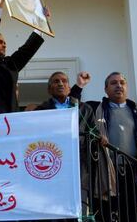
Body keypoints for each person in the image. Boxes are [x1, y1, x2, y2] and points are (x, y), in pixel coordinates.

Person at [92, 72, 137, 221]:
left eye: (122, 82)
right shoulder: (94, 110)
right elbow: (74, 111)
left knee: (134, 217)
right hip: (106, 175)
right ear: (106, 89)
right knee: (107, 216)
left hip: (135, 176)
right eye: (113, 83)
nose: (119, 85)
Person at [35, 71, 95, 221]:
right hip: (51, 168)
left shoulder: (85, 109)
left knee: (77, 213)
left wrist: (100, 138)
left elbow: (94, 134)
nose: (60, 84)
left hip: (79, 169)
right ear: (49, 89)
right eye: (56, 81)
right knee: (54, 214)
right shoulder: (40, 111)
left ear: (69, 87)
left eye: (64, 81)